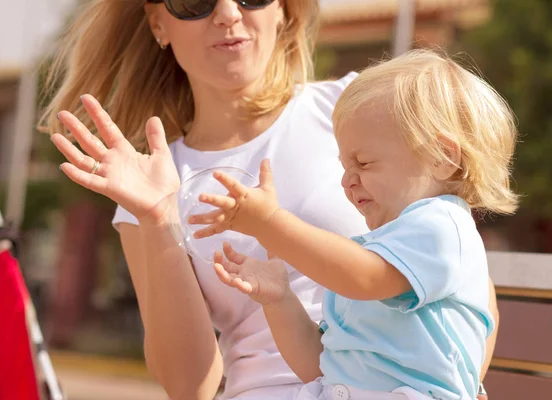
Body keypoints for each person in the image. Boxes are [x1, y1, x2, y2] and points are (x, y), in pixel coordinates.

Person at [42, 1, 498, 399]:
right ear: (159, 23)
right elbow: (189, 387)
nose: (227, 13)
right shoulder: (149, 185)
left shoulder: (360, 111)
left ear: (284, 8)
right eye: (194, 1)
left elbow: (469, 291)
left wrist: (446, 386)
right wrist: (160, 216)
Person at [188, 49, 517, 400]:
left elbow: (363, 277)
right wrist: (279, 299)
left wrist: (270, 223)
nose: (347, 180)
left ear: (442, 159)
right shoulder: (378, 251)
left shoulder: (442, 227)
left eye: (363, 162)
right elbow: (318, 368)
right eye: (344, 166)